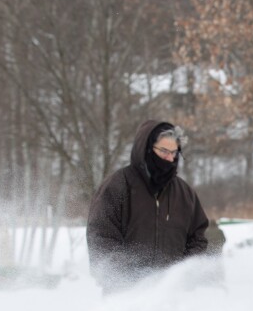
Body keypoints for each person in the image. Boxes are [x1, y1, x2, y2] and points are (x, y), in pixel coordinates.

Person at [86, 120, 210, 292]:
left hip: (171, 296)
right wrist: (126, 278)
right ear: (147, 149)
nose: (170, 158)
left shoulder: (184, 193)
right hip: (123, 296)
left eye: (174, 153)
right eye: (164, 151)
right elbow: (101, 237)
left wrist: (183, 274)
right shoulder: (118, 186)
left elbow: (198, 238)